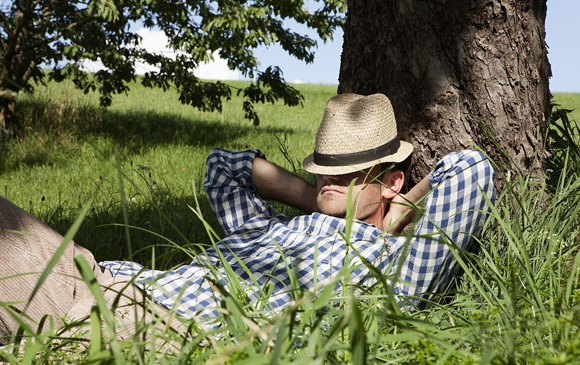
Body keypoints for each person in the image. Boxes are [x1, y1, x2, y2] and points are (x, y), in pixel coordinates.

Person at [0, 93, 495, 345]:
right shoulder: (268, 230)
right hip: (100, 280)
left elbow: (469, 168)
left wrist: (389, 224)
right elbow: (225, 167)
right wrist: (319, 198)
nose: (328, 180)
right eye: (323, 170)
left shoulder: (393, 270)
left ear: (390, 182)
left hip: (146, 330)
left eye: (345, 175)